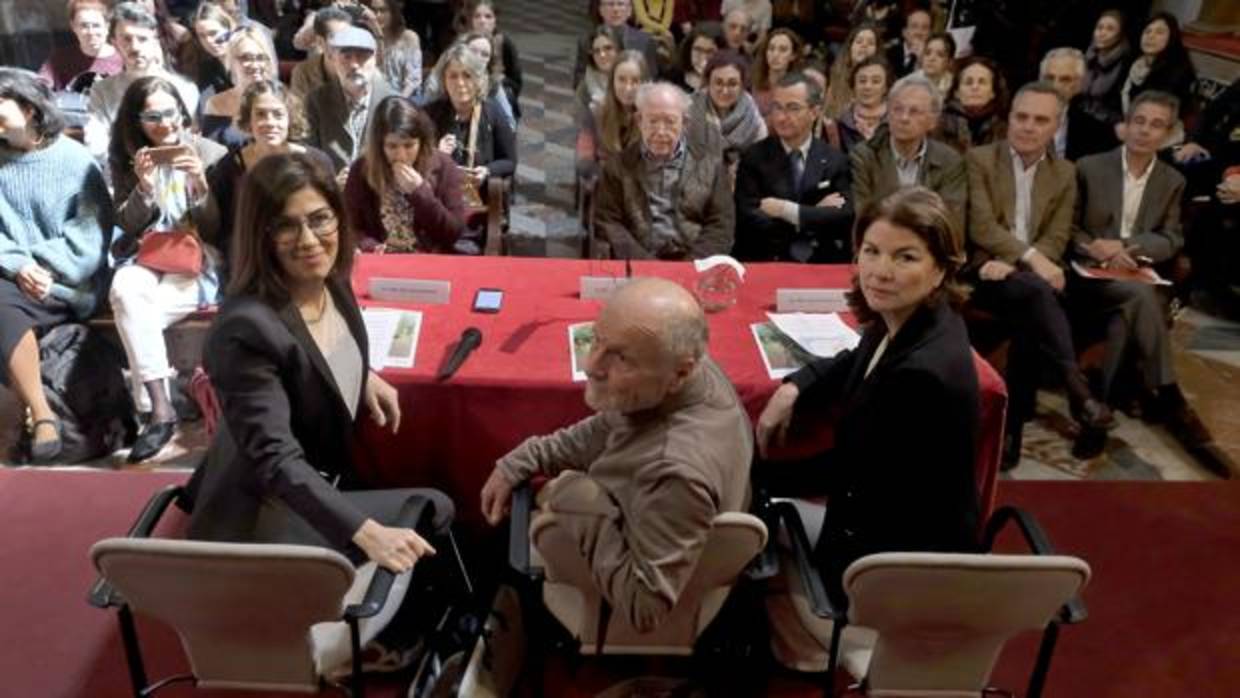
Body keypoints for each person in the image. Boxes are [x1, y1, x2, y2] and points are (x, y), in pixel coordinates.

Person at [185, 151, 454, 576]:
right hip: (265, 509)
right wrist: (366, 533)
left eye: (320, 218)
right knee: (434, 509)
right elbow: (275, 461)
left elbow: (315, 356)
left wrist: (361, 374)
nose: (309, 240)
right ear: (261, 235)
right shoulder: (243, 331)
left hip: (320, 475)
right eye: (287, 226)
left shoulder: (330, 276)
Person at [478, 277, 752, 633]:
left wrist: (574, 497)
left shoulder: (676, 476)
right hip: (648, 523)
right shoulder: (685, 375)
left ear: (680, 372)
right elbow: (616, 424)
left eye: (621, 358)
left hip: (635, 582)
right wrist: (528, 457)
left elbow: (646, 610)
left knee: (493, 548)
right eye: (597, 341)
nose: (591, 365)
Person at [755, 186, 980, 599]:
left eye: (905, 257)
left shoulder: (920, 375)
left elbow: (845, 471)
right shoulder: (913, 317)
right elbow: (852, 358)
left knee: (744, 513)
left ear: (941, 270)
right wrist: (794, 387)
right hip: (887, 526)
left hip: (891, 564)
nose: (879, 270)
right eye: (871, 251)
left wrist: (757, 476)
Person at [1069, 91, 1235, 478]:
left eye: (1156, 125)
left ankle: (1097, 415)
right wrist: (1096, 247)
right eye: (1139, 121)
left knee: (1128, 312)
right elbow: (1067, 227)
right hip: (1088, 278)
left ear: (1168, 134)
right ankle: (1170, 393)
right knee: (1141, 297)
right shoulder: (1089, 167)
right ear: (1126, 124)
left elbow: (1171, 237)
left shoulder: (1172, 180)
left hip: (1133, 276)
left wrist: (1129, 247)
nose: (1145, 131)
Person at [965, 82, 1113, 466]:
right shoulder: (980, 159)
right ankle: (1079, 394)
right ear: (1009, 117)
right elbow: (981, 226)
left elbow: (1058, 234)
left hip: (1027, 278)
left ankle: (1009, 429)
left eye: (1040, 120)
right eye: (1021, 116)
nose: (1028, 126)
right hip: (985, 275)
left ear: (1056, 126)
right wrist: (1032, 259)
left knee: (1031, 302)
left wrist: (1024, 264)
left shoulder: (1065, 173)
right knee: (1034, 294)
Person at [107, 76, 226, 462]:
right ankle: (165, 405)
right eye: (152, 116)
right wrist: (142, 187)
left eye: (170, 112)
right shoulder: (131, 157)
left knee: (134, 313)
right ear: (137, 120)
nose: (164, 123)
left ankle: (156, 407)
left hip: (197, 259)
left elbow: (216, 229)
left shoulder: (210, 153)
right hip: (147, 255)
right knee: (124, 289)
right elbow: (126, 225)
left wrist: (199, 183)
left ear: (182, 111)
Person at [0, 68, 113, 464]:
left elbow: (89, 239)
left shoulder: (74, 161)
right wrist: (16, 264)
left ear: (29, 110)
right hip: (12, 275)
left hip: (67, 279)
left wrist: (40, 266)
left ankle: (42, 414)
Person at [593, 82, 733, 260]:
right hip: (639, 261)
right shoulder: (617, 167)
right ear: (639, 121)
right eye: (652, 121)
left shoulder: (710, 165)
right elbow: (608, 222)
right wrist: (644, 263)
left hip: (694, 262)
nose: (660, 131)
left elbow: (721, 224)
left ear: (685, 123)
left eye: (670, 122)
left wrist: (692, 264)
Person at [207, 80, 333, 276]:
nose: (270, 122)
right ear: (249, 121)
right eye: (261, 114)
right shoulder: (230, 166)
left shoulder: (316, 162)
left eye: (278, 114)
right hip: (249, 256)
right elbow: (221, 227)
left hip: (302, 248)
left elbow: (328, 217)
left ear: (290, 118)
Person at [735, 71, 853, 263]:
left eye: (793, 108)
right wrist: (814, 211)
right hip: (768, 259)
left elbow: (843, 217)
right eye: (777, 108)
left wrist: (786, 210)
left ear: (814, 112)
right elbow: (750, 220)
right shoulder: (754, 157)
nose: (782, 117)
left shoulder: (834, 159)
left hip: (820, 261)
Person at [425, 43, 516, 254]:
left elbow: (510, 161)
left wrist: (487, 171)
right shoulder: (430, 115)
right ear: (443, 81)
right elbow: (413, 160)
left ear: (478, 79)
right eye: (453, 76)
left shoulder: (492, 112)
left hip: (479, 207)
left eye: (467, 76)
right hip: (438, 205)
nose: (460, 83)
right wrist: (436, 155)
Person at [345, 96, 465, 253]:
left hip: (429, 259)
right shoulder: (362, 169)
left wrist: (420, 192)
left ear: (421, 142)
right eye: (392, 146)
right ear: (380, 145)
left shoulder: (443, 165)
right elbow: (349, 225)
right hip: (382, 260)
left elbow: (453, 233)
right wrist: (370, 246)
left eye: (409, 145)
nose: (401, 155)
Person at [850, 74, 966, 234]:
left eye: (914, 111)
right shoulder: (865, 156)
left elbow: (950, 219)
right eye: (897, 109)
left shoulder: (949, 161)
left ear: (933, 121)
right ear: (887, 113)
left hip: (929, 247)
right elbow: (862, 214)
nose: (904, 118)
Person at [85, 2, 200, 162]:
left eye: (142, 39)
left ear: (155, 39)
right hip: (121, 177)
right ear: (114, 41)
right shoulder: (102, 91)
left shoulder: (185, 88)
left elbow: (189, 142)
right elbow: (96, 145)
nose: (135, 47)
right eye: (126, 39)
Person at [306, 24, 397, 176]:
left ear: (376, 59)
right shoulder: (317, 100)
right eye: (346, 57)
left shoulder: (393, 102)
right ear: (333, 59)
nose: (354, 65)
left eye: (362, 57)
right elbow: (311, 154)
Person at [685, 50, 766, 188]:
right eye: (718, 83)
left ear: (742, 86)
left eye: (732, 84)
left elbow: (760, 169)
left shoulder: (754, 120)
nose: (725, 90)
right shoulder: (687, 110)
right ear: (707, 83)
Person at [1121, 12, 1195, 145]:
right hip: (1131, 128)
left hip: (1160, 138)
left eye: (1159, 32)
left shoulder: (1178, 72)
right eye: (1147, 31)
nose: (1150, 36)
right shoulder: (1135, 65)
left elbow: (1160, 118)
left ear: (1171, 38)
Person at [576, 50, 650, 181]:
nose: (628, 88)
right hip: (603, 183)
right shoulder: (596, 111)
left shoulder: (653, 117)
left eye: (635, 81)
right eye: (622, 80)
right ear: (612, 82)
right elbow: (584, 158)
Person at [200, 26, 278, 148]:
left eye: (261, 58)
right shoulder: (215, 104)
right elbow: (211, 153)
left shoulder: (282, 99)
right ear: (230, 61)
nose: (255, 65)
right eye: (246, 58)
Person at [38, 0, 124, 93]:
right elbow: (40, 86)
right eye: (84, 26)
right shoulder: (60, 60)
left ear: (107, 26)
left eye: (96, 25)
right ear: (73, 27)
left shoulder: (124, 58)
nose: (91, 32)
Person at [1077, 10, 1131, 158]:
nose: (1102, 33)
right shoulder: (1088, 55)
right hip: (1082, 117)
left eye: (1110, 29)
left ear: (1120, 34)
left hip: (1107, 127)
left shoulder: (1126, 63)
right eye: (1100, 28)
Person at [574, 0, 659, 88]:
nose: (615, 9)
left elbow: (651, 79)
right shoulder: (587, 41)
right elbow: (579, 79)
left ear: (629, 11)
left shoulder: (645, 41)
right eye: (610, 4)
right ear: (601, 10)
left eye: (620, 4)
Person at [460, 0, 522, 116]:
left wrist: (500, 81)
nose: (482, 21)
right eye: (477, 16)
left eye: (488, 17)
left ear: (495, 21)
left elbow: (516, 81)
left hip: (497, 99)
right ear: (471, 20)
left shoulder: (504, 43)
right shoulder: (463, 42)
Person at [935, 55, 1008, 153]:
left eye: (982, 82)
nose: (975, 87)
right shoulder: (938, 126)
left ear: (993, 93)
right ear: (957, 93)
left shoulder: (1004, 131)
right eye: (968, 82)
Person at [289, 6, 351, 100]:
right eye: (337, 38)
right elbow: (298, 111)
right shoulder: (303, 72)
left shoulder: (362, 69)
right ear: (320, 41)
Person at [364, 0, 423, 98]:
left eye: (382, 10)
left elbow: (413, 80)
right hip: (378, 96)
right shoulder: (370, 39)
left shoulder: (409, 37)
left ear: (393, 12)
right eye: (374, 11)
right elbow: (378, 70)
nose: (377, 15)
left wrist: (398, 101)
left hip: (407, 97)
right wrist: (378, 35)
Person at [176, 2, 236, 96]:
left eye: (213, 33)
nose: (209, 41)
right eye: (202, 36)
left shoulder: (246, 57)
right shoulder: (207, 68)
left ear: (229, 29)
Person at [835, 56, 892, 155]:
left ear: (885, 87)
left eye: (876, 81)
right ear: (854, 85)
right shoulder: (838, 126)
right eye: (862, 81)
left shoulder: (897, 122)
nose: (868, 86)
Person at [823, 23, 880, 121]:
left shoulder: (884, 83)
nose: (864, 45)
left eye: (870, 43)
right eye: (859, 41)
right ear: (850, 48)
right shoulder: (835, 77)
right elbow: (825, 116)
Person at [750, 28, 803, 127]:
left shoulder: (797, 88)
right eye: (771, 48)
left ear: (793, 55)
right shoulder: (754, 82)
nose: (775, 54)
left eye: (783, 50)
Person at [576, 25, 623, 115]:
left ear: (619, 49)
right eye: (597, 51)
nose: (602, 55)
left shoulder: (632, 77)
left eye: (608, 48)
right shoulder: (585, 87)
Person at [674, 24, 722, 92]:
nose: (703, 58)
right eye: (698, 50)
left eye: (710, 52)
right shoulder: (673, 79)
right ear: (689, 50)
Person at [886, 6, 931, 78]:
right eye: (914, 26)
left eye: (925, 28)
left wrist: (921, 60)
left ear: (929, 33)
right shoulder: (889, 53)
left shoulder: (932, 57)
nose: (919, 32)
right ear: (904, 32)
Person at [911, 31, 955, 99]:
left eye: (940, 55)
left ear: (949, 62)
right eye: (927, 53)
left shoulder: (954, 87)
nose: (931, 58)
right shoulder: (909, 82)